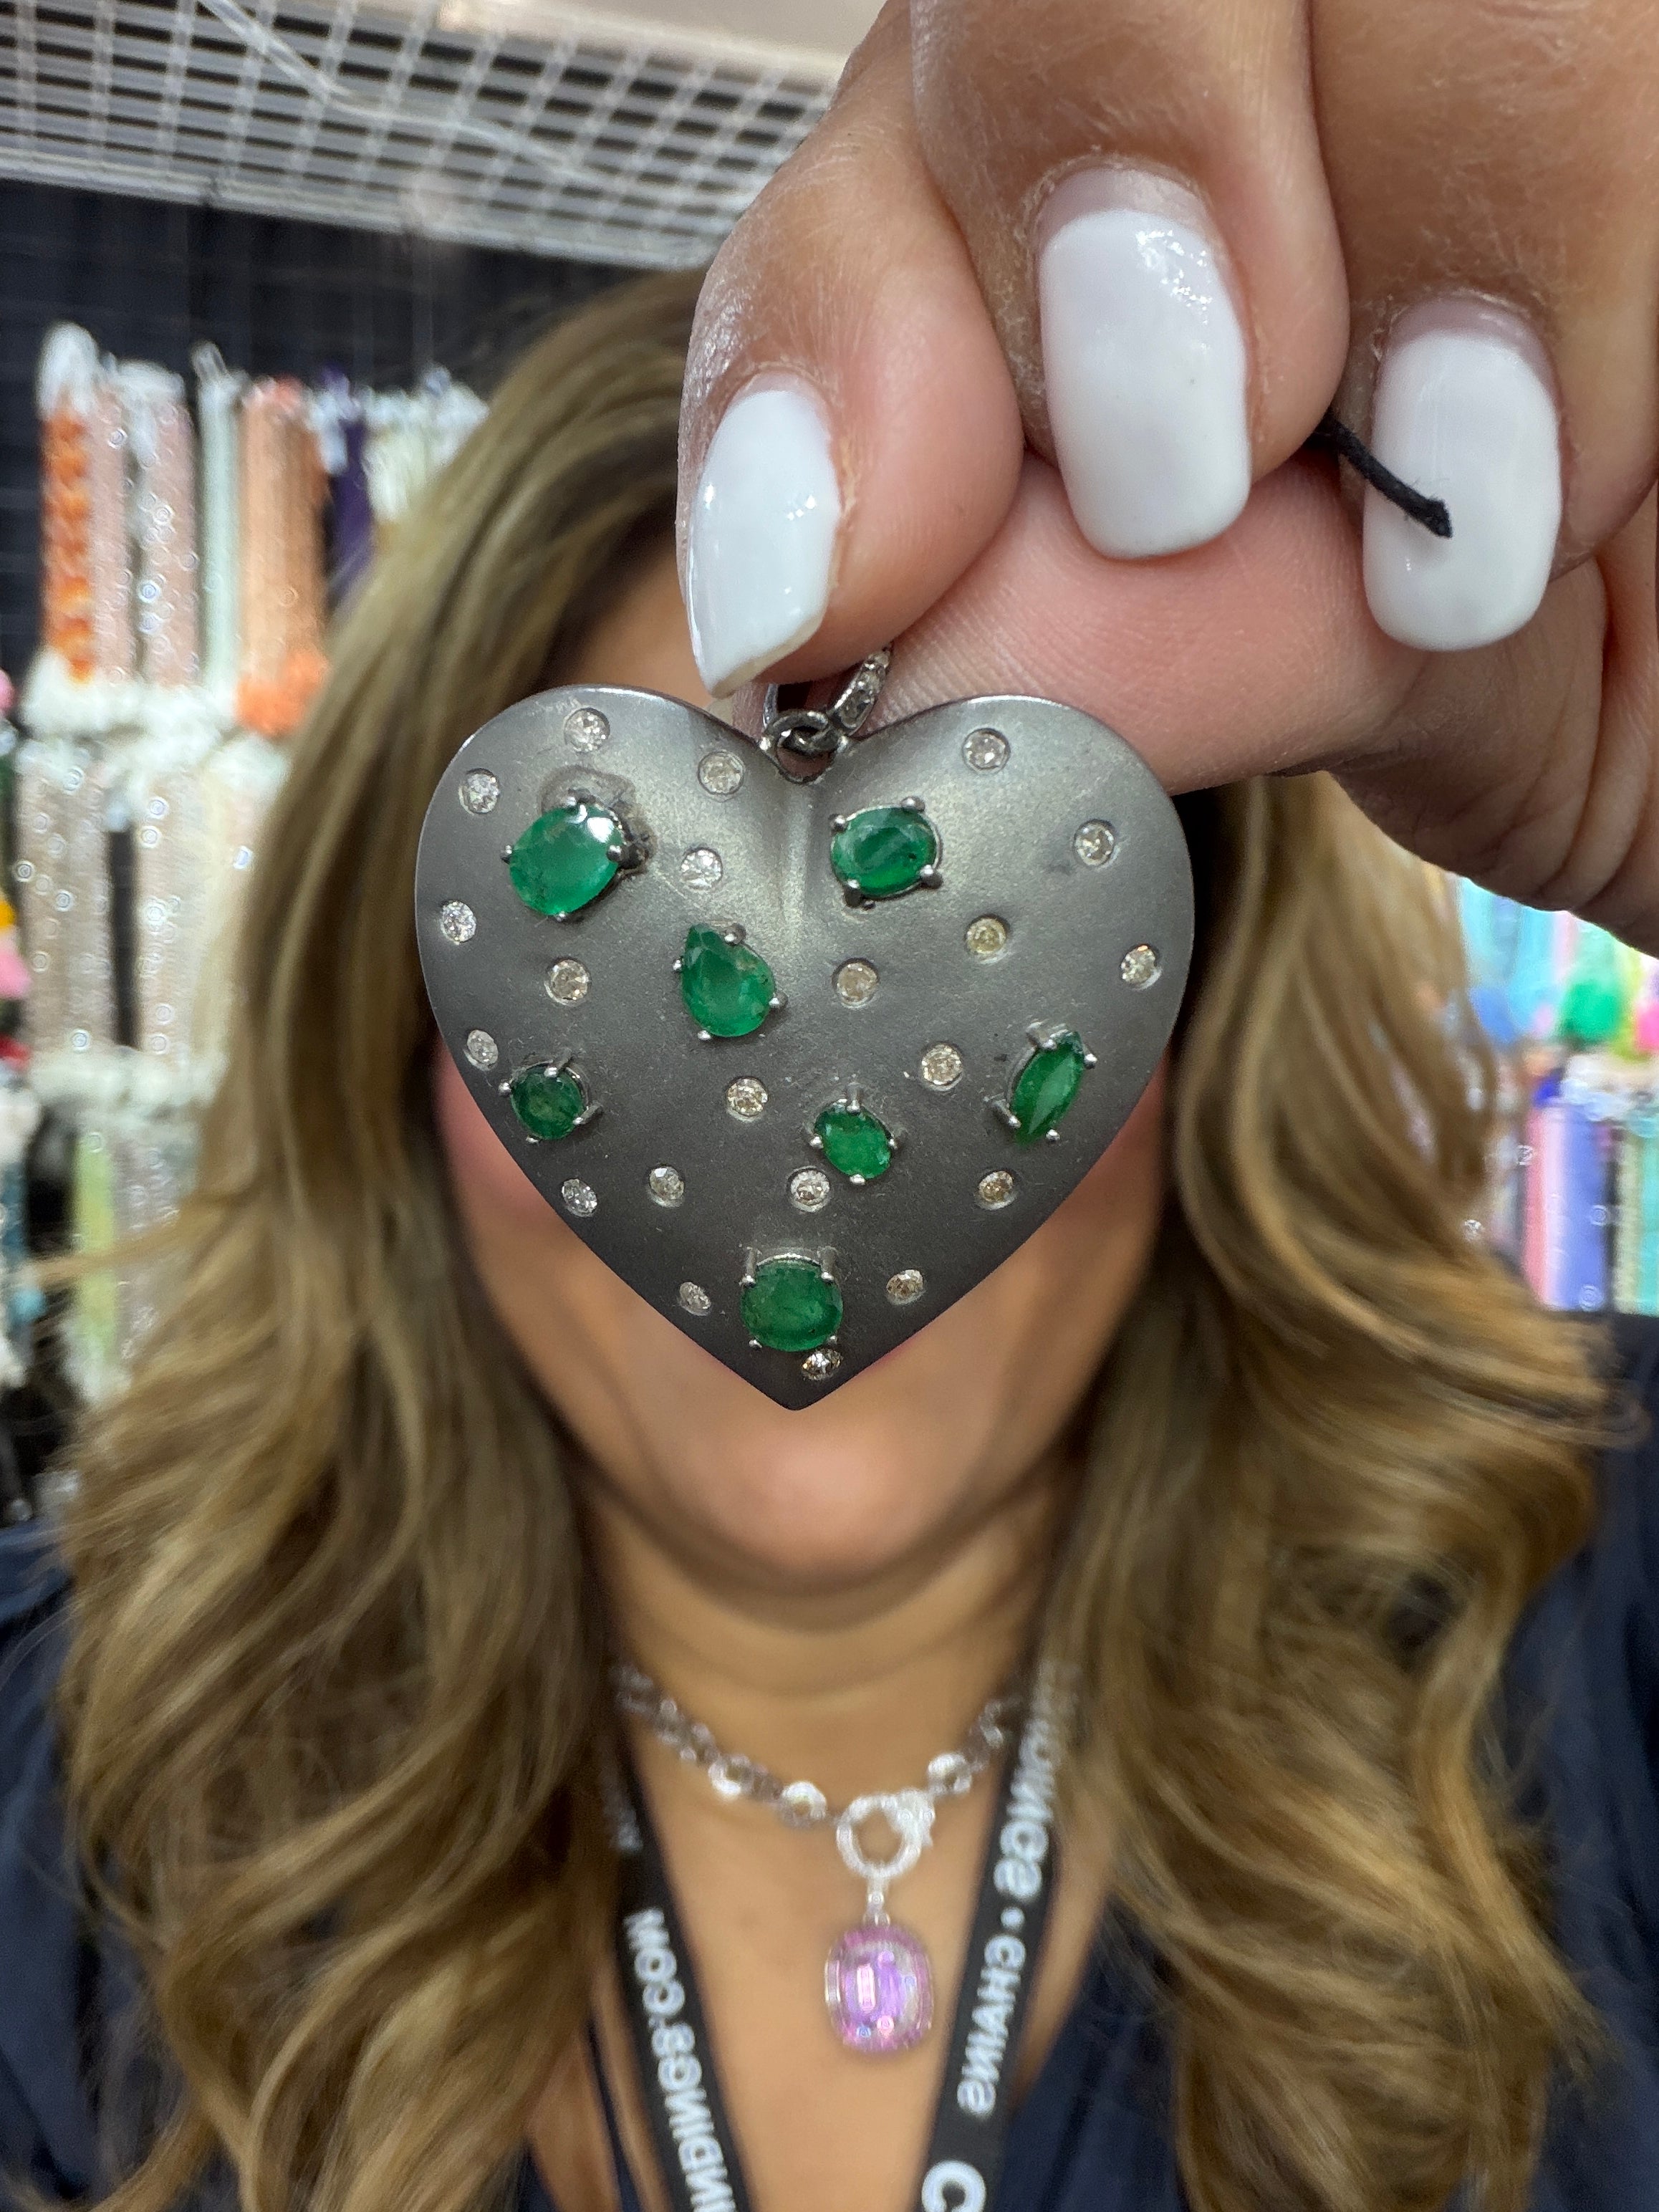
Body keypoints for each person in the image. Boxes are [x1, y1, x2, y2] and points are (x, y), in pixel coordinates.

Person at [4, 1, 1659, 2206]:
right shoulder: (75, 1789)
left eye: (966, 979)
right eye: (610, 977)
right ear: (394, 1050)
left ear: (1196, 1036)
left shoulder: (1590, 1611)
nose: (800, 1157)